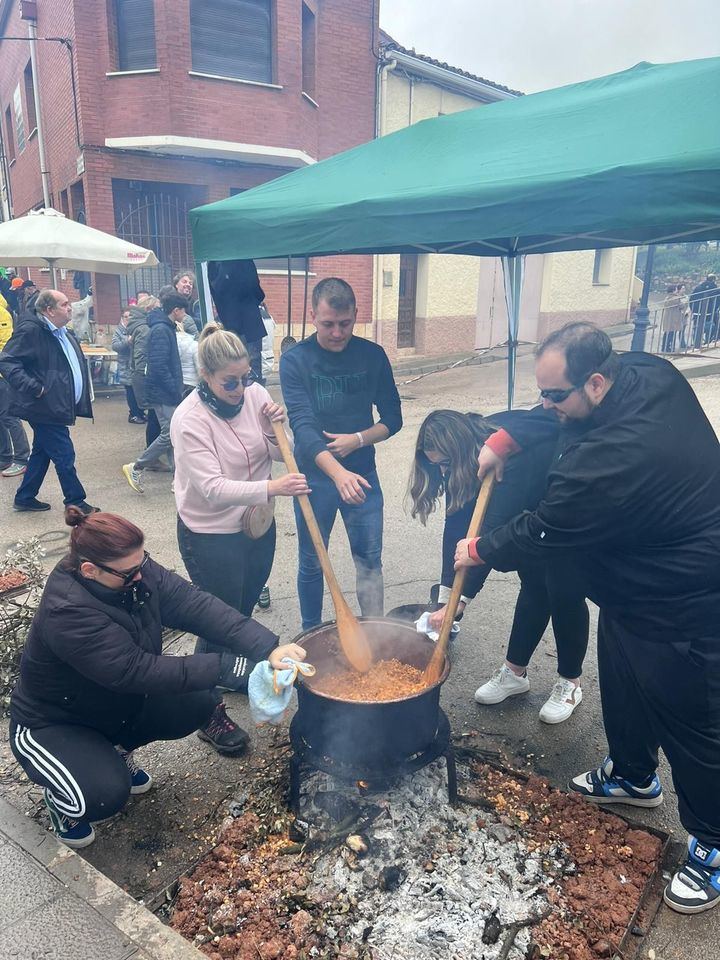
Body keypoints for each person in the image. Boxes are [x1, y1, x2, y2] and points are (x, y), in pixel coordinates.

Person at [455, 321, 720, 915]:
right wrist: (509, 435)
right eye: (541, 392)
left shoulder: (614, 456)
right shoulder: (644, 369)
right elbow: (558, 414)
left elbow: (544, 528)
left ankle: (715, 843)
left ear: (596, 382)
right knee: (624, 679)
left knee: (694, 718)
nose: (547, 404)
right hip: (633, 585)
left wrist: (479, 551)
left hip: (686, 591)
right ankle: (632, 776)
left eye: (554, 395)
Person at [9, 507, 305, 848]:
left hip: (112, 705)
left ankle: (112, 752)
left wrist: (267, 647)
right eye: (130, 572)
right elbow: (135, 670)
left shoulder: (133, 572)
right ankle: (64, 801)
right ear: (89, 570)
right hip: (53, 722)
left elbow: (195, 604)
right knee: (104, 796)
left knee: (200, 701)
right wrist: (230, 667)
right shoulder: (68, 610)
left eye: (143, 562)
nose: (141, 575)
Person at [171, 324, 310, 751]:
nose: (240, 388)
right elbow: (212, 488)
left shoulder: (255, 396)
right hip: (210, 534)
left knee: (242, 610)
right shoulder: (188, 419)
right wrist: (274, 487)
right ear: (206, 377)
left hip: (256, 525)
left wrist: (274, 430)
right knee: (217, 622)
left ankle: (230, 672)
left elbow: (276, 452)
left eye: (246, 377)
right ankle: (205, 711)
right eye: (229, 382)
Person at [409, 409, 588, 723]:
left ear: (458, 449)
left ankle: (570, 682)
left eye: (444, 464)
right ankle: (515, 672)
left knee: (564, 590)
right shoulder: (460, 463)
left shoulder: (508, 460)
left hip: (563, 516)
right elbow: (458, 527)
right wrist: (447, 595)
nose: (442, 471)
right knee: (534, 586)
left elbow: (491, 532)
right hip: (525, 523)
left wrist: (461, 601)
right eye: (436, 465)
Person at [280, 277, 402, 630]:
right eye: (328, 324)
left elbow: (393, 418)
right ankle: (310, 632)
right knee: (312, 560)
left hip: (363, 475)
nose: (337, 333)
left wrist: (359, 439)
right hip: (313, 479)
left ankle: (374, 634)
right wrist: (338, 472)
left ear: (355, 315)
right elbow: (303, 429)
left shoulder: (372, 356)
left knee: (368, 561)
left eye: (345, 324)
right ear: (313, 316)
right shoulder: (295, 361)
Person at [0, 289, 97, 514]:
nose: (70, 307)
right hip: (42, 405)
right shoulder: (31, 330)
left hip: (57, 405)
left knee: (41, 452)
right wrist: (35, 387)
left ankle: (25, 497)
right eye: (64, 305)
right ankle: (75, 501)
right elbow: (7, 361)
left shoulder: (63, 331)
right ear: (48, 310)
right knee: (64, 454)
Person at [122, 293, 186, 492]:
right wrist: (174, 389)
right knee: (170, 434)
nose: (185, 314)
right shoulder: (161, 330)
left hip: (162, 391)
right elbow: (159, 366)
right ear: (176, 310)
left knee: (171, 435)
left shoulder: (163, 327)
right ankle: (137, 465)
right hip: (163, 392)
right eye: (183, 310)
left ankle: (178, 479)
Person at [208, 260, 266, 383]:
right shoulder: (245, 260)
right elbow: (258, 291)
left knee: (233, 365)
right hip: (250, 319)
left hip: (230, 321)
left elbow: (215, 292)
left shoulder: (213, 263)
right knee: (253, 367)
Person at [0, 290, 30, 478]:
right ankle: (4, 456)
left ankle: (21, 458)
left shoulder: (2, 313)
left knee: (9, 416)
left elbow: (5, 345)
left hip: (2, 376)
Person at [112, 306, 146, 424]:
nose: (127, 319)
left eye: (129, 316)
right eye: (125, 317)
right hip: (125, 366)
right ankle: (134, 414)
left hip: (135, 365)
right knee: (130, 391)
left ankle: (140, 412)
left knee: (138, 391)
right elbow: (115, 346)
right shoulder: (119, 331)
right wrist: (128, 341)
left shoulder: (137, 329)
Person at [689, 273, 720, 347]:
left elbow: (691, 299)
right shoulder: (714, 288)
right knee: (711, 327)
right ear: (713, 280)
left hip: (697, 312)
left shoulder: (698, 287)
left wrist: (693, 309)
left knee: (697, 327)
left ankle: (696, 344)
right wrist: (715, 309)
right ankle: (708, 342)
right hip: (708, 312)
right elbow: (717, 300)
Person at [172, 271, 201, 336]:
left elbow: (201, 322)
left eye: (190, 283)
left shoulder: (196, 305)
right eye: (184, 282)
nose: (188, 284)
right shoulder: (169, 302)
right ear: (176, 285)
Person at [176, 318, 200, 394]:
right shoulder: (194, 345)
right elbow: (199, 368)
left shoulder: (168, 345)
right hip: (192, 384)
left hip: (177, 385)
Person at [659, 284, 685, 353]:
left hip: (668, 317)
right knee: (672, 333)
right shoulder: (676, 298)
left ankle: (664, 347)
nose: (677, 290)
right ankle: (669, 347)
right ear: (673, 290)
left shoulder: (667, 298)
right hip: (674, 318)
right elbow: (682, 306)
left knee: (667, 333)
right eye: (676, 289)